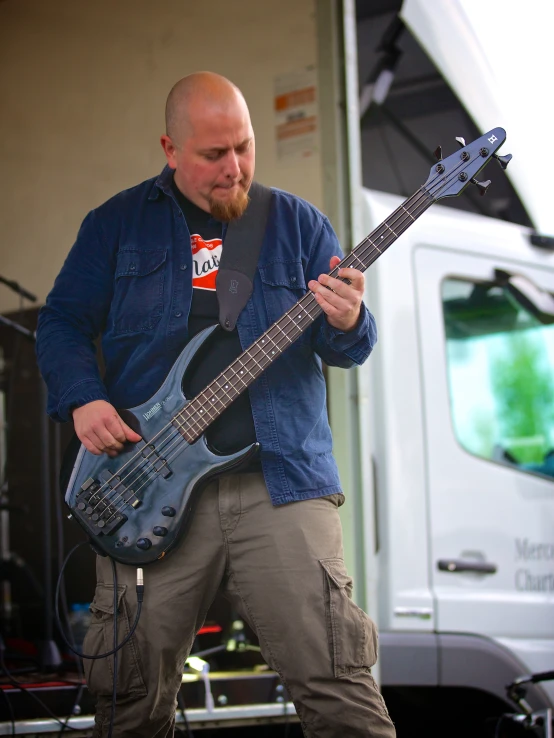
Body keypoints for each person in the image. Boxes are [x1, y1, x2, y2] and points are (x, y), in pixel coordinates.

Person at [36, 72, 395, 738]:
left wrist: (349, 320)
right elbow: (60, 323)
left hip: (281, 484)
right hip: (145, 487)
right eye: (213, 155)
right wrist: (83, 400)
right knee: (131, 702)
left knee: (339, 688)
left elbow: (349, 349)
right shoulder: (116, 225)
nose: (234, 169)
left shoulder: (297, 224)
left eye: (245, 148)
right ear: (170, 149)